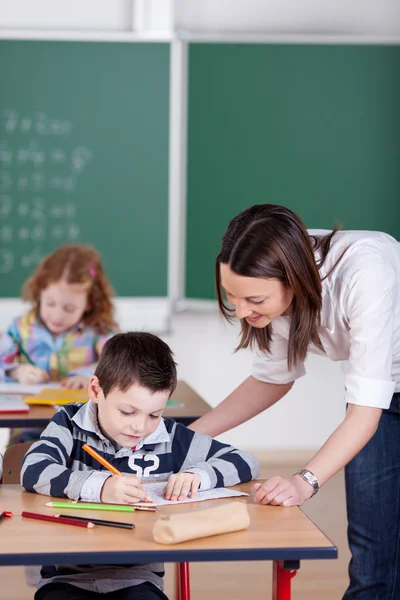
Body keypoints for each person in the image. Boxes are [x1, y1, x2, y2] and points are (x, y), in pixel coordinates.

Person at [189, 203, 400, 600]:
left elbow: (365, 413)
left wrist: (305, 482)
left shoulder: (365, 272)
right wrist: (189, 437)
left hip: (375, 405)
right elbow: (271, 380)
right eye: (231, 296)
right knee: (373, 559)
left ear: (293, 279)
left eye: (254, 299)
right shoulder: (277, 281)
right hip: (383, 400)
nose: (241, 311)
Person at [21, 331, 259, 600]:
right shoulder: (69, 422)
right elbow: (33, 470)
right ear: (96, 390)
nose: (140, 427)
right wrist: (100, 487)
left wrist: (198, 475)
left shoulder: (169, 437)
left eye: (154, 414)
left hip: (137, 579)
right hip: (65, 577)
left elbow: (244, 461)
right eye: (128, 412)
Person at [0, 243, 117, 444]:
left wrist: (87, 374)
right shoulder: (20, 328)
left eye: (69, 308)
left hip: (81, 433)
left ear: (89, 302)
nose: (57, 315)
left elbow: (119, 364)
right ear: (40, 293)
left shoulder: (98, 331)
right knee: (21, 463)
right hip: (28, 432)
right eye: (50, 304)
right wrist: (15, 372)